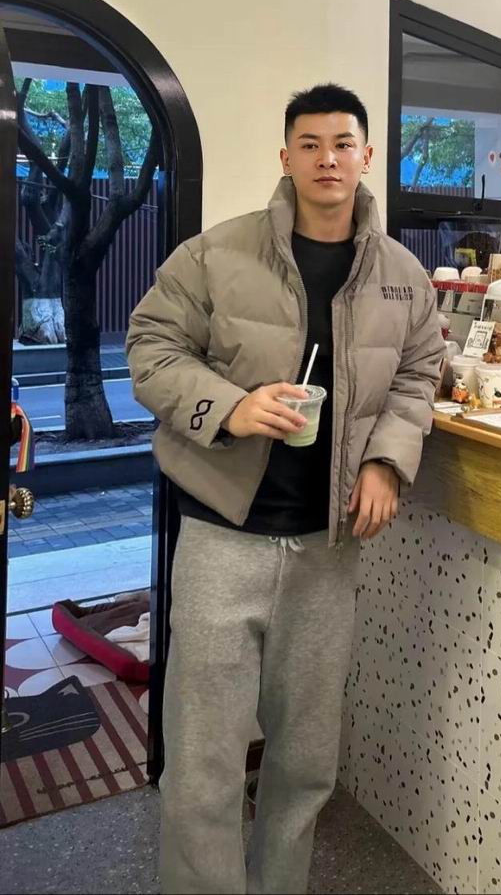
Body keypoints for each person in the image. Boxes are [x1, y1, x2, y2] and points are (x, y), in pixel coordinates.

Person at [127, 83, 444, 895]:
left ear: (366, 157)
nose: (327, 159)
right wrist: (231, 407)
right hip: (220, 535)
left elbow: (418, 376)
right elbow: (150, 348)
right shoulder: (217, 253)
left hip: (325, 546)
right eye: (310, 144)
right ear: (287, 157)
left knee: (304, 763)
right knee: (201, 760)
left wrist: (386, 462)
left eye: (342, 144)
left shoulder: (403, 276)